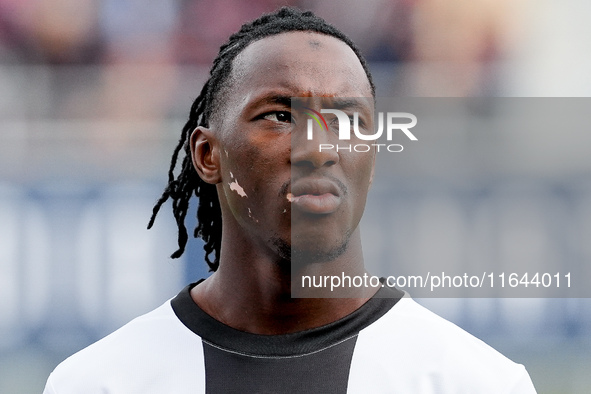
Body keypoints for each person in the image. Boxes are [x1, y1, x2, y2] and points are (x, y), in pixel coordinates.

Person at [43, 7, 537, 393]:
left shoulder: (477, 384)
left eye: (349, 121)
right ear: (208, 154)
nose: (319, 148)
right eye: (280, 116)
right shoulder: (99, 383)